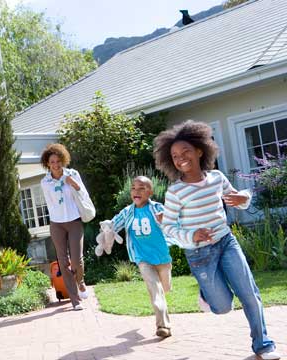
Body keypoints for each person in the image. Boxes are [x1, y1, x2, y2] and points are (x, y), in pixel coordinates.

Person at [153, 120, 280, 360]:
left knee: (250, 294)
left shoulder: (217, 178)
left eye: (186, 151)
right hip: (199, 253)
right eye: (175, 155)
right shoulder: (175, 192)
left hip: (226, 242)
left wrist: (244, 198)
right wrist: (192, 235)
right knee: (222, 307)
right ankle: (206, 294)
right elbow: (168, 226)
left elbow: (238, 196)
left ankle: (264, 346)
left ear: (200, 150)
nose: (180, 158)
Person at [102, 176, 173, 338]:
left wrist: (166, 219)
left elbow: (173, 222)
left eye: (141, 188)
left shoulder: (156, 208)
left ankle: (163, 311)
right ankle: (163, 326)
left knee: (165, 288)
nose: (136, 191)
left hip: (162, 257)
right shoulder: (127, 212)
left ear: (150, 192)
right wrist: (106, 229)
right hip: (142, 258)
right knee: (155, 291)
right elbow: (112, 226)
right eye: (133, 188)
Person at [40, 143, 90, 311]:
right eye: (52, 162)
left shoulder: (73, 174)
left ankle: (81, 281)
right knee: (63, 261)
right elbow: (50, 204)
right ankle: (75, 300)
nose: (55, 164)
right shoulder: (45, 182)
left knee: (76, 259)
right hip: (57, 224)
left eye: (58, 161)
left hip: (74, 221)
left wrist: (72, 183)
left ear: (63, 160)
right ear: (47, 163)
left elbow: (83, 194)